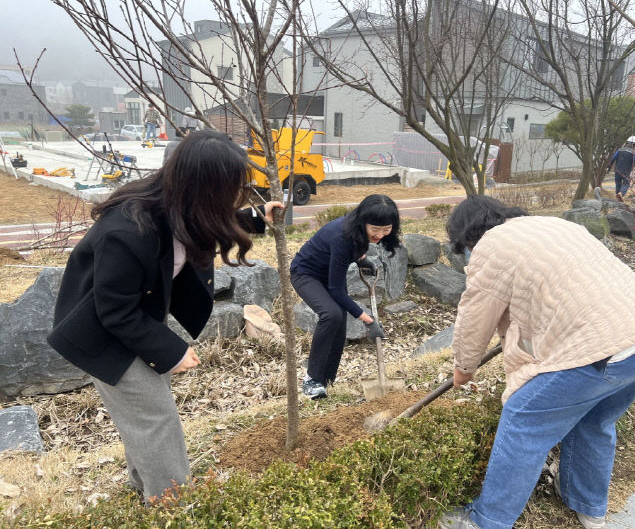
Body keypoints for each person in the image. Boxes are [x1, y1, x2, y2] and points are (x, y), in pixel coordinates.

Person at [47, 130, 284, 503]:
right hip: (100, 333)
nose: (235, 195)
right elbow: (114, 311)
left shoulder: (177, 202)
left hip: (133, 321)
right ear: (204, 188)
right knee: (156, 419)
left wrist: (255, 218)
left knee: (143, 415)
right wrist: (172, 351)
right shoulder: (127, 231)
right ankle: (170, 503)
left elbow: (208, 220)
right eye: (228, 189)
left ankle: (147, 488)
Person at [439, 196, 635, 529]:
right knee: (593, 421)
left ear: (467, 236)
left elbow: (474, 316)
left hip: (602, 349)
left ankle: (485, 521)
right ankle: (588, 507)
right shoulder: (555, 224)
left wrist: (463, 370)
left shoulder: (491, 246)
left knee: (523, 420)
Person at [290, 194, 402, 399]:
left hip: (330, 273)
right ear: (363, 222)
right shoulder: (341, 236)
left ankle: (326, 381)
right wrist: (368, 320)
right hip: (307, 274)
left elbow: (355, 246)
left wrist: (361, 259)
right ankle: (311, 380)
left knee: (339, 325)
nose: (380, 235)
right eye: (375, 230)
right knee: (331, 314)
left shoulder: (358, 230)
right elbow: (336, 290)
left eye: (386, 229)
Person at [608, 135, 635, 201]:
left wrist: (609, 167)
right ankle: (621, 193)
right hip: (626, 172)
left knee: (618, 184)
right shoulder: (634, 152)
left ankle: (618, 198)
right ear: (634, 144)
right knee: (626, 184)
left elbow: (613, 158)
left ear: (627, 143)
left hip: (617, 170)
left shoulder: (619, 150)